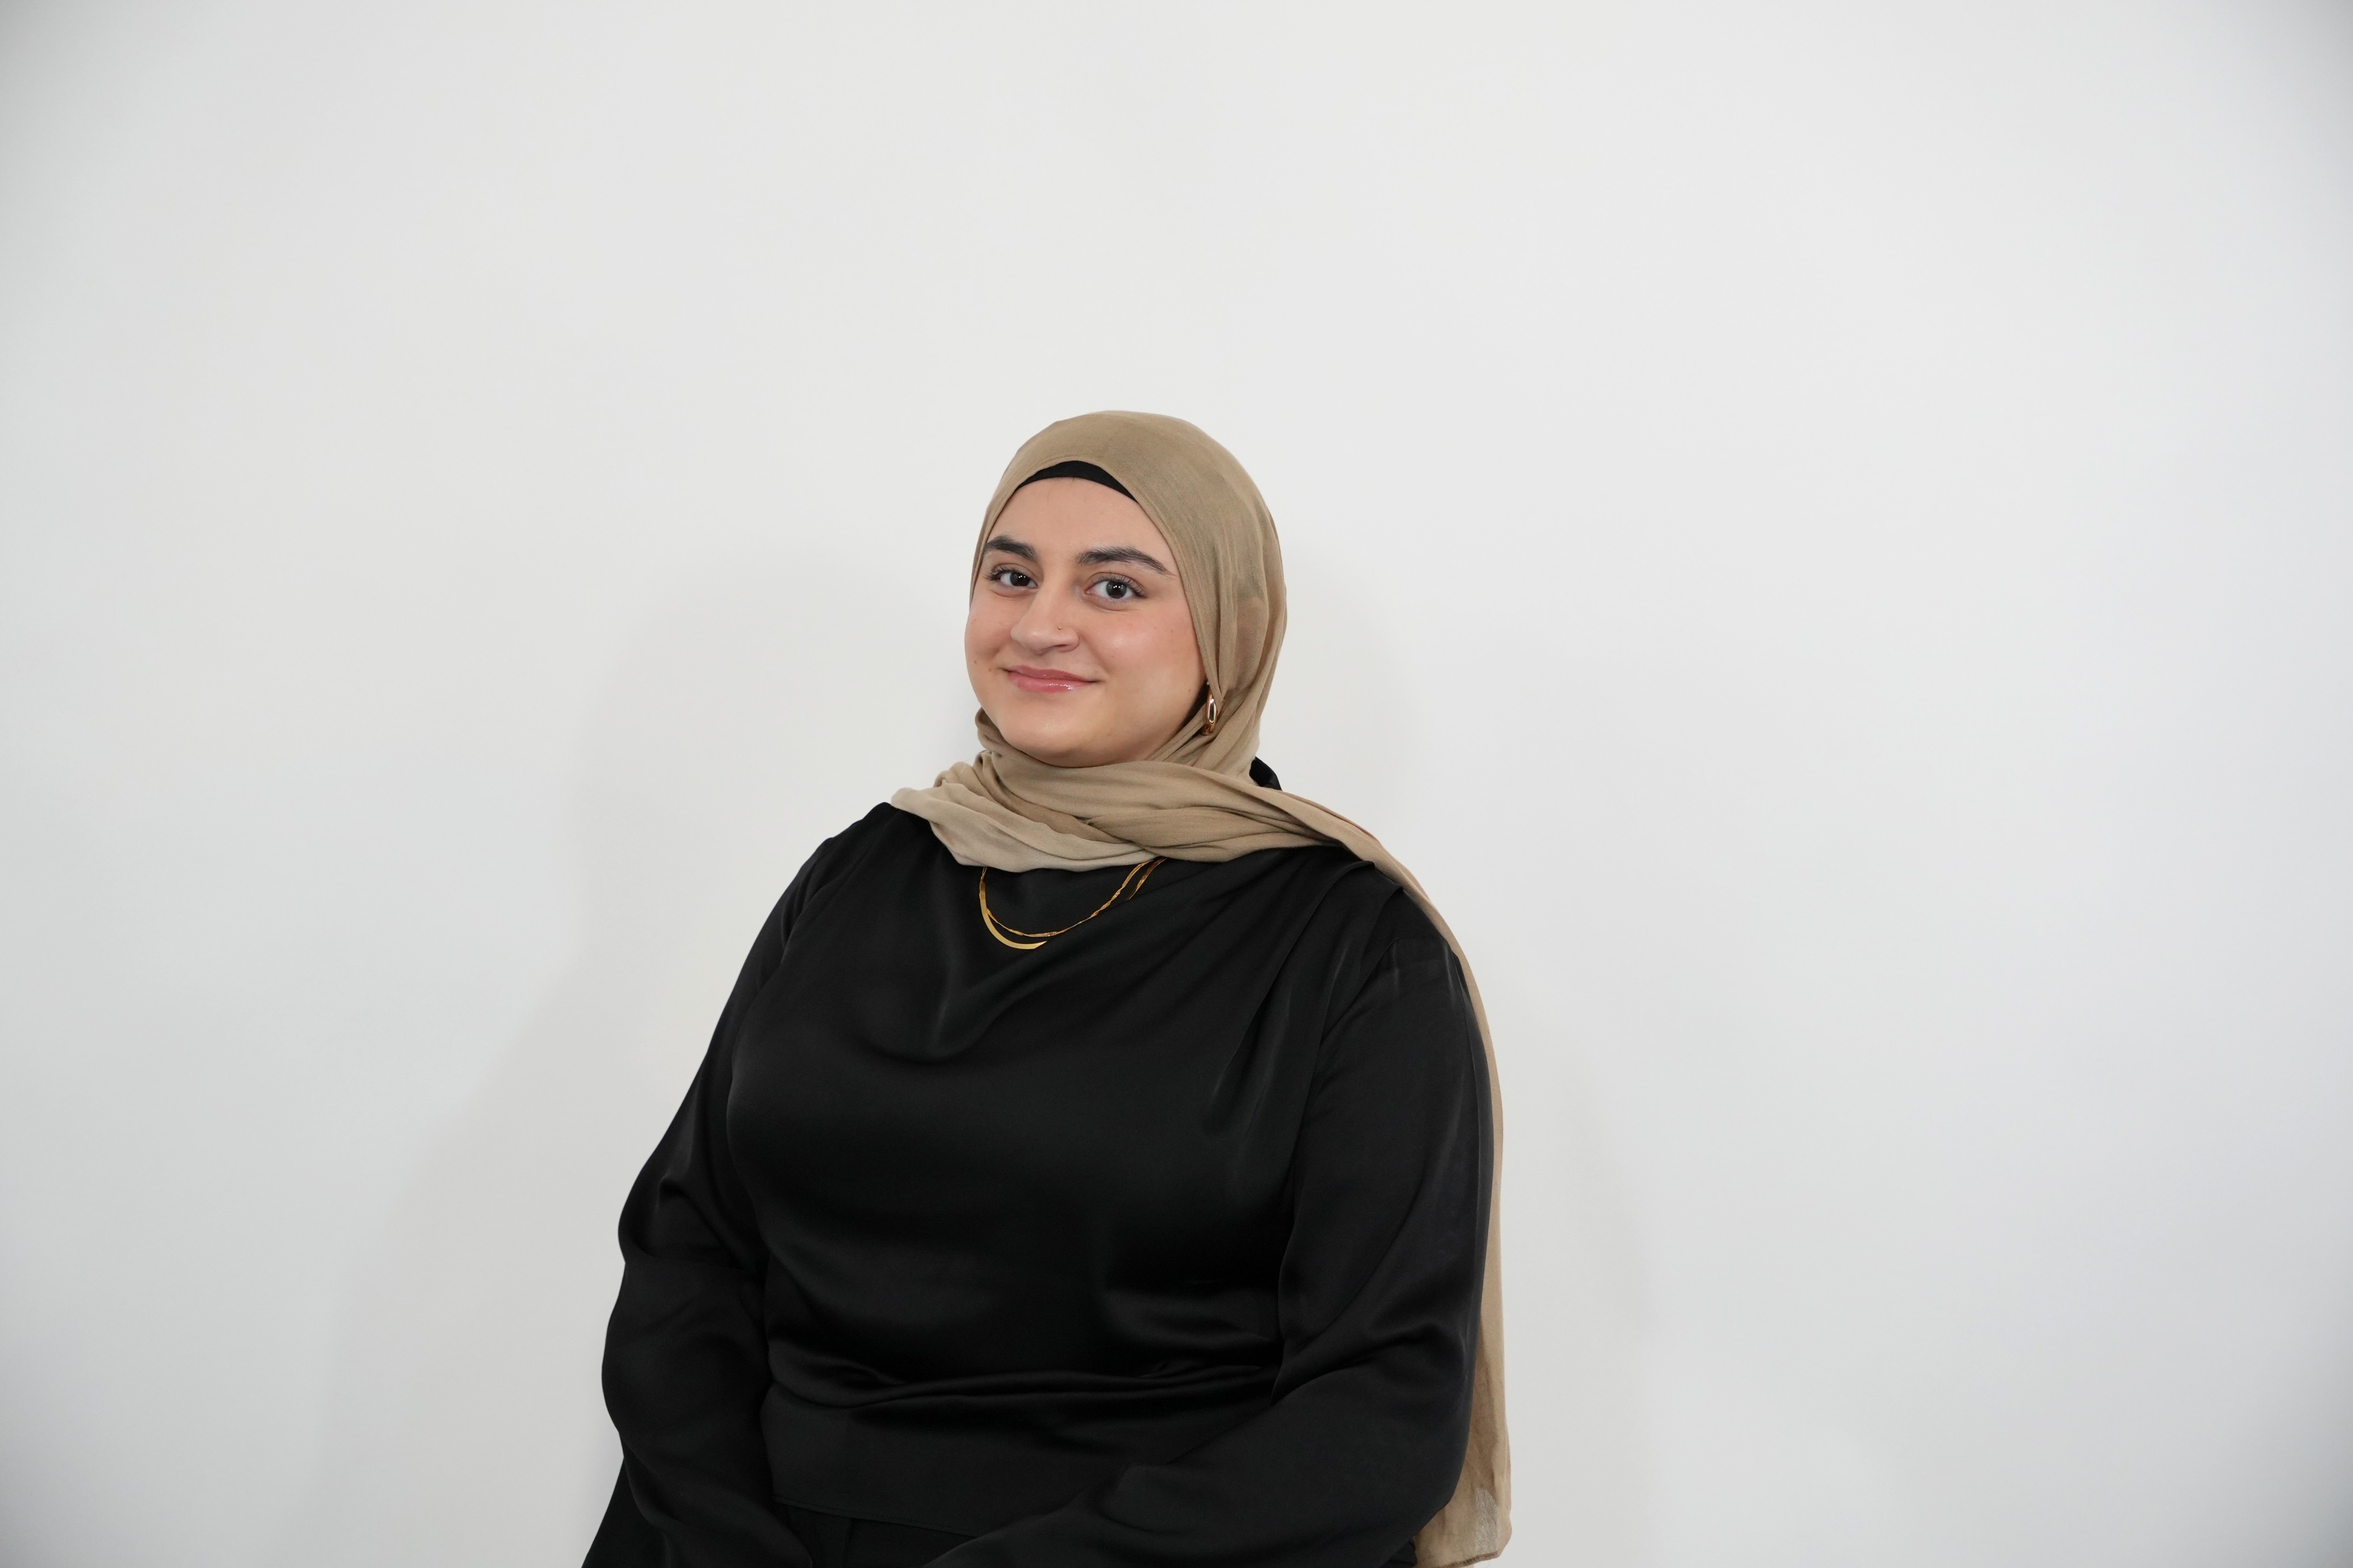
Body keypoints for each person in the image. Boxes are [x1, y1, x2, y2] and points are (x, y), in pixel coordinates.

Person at [584, 412, 1510, 1568]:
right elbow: (691, 1241)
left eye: (1114, 588)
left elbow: (1384, 1409)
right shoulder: (864, 871)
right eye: (1009, 573)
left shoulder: (1350, 945)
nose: (1039, 623)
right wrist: (725, 1537)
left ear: (1233, 630)